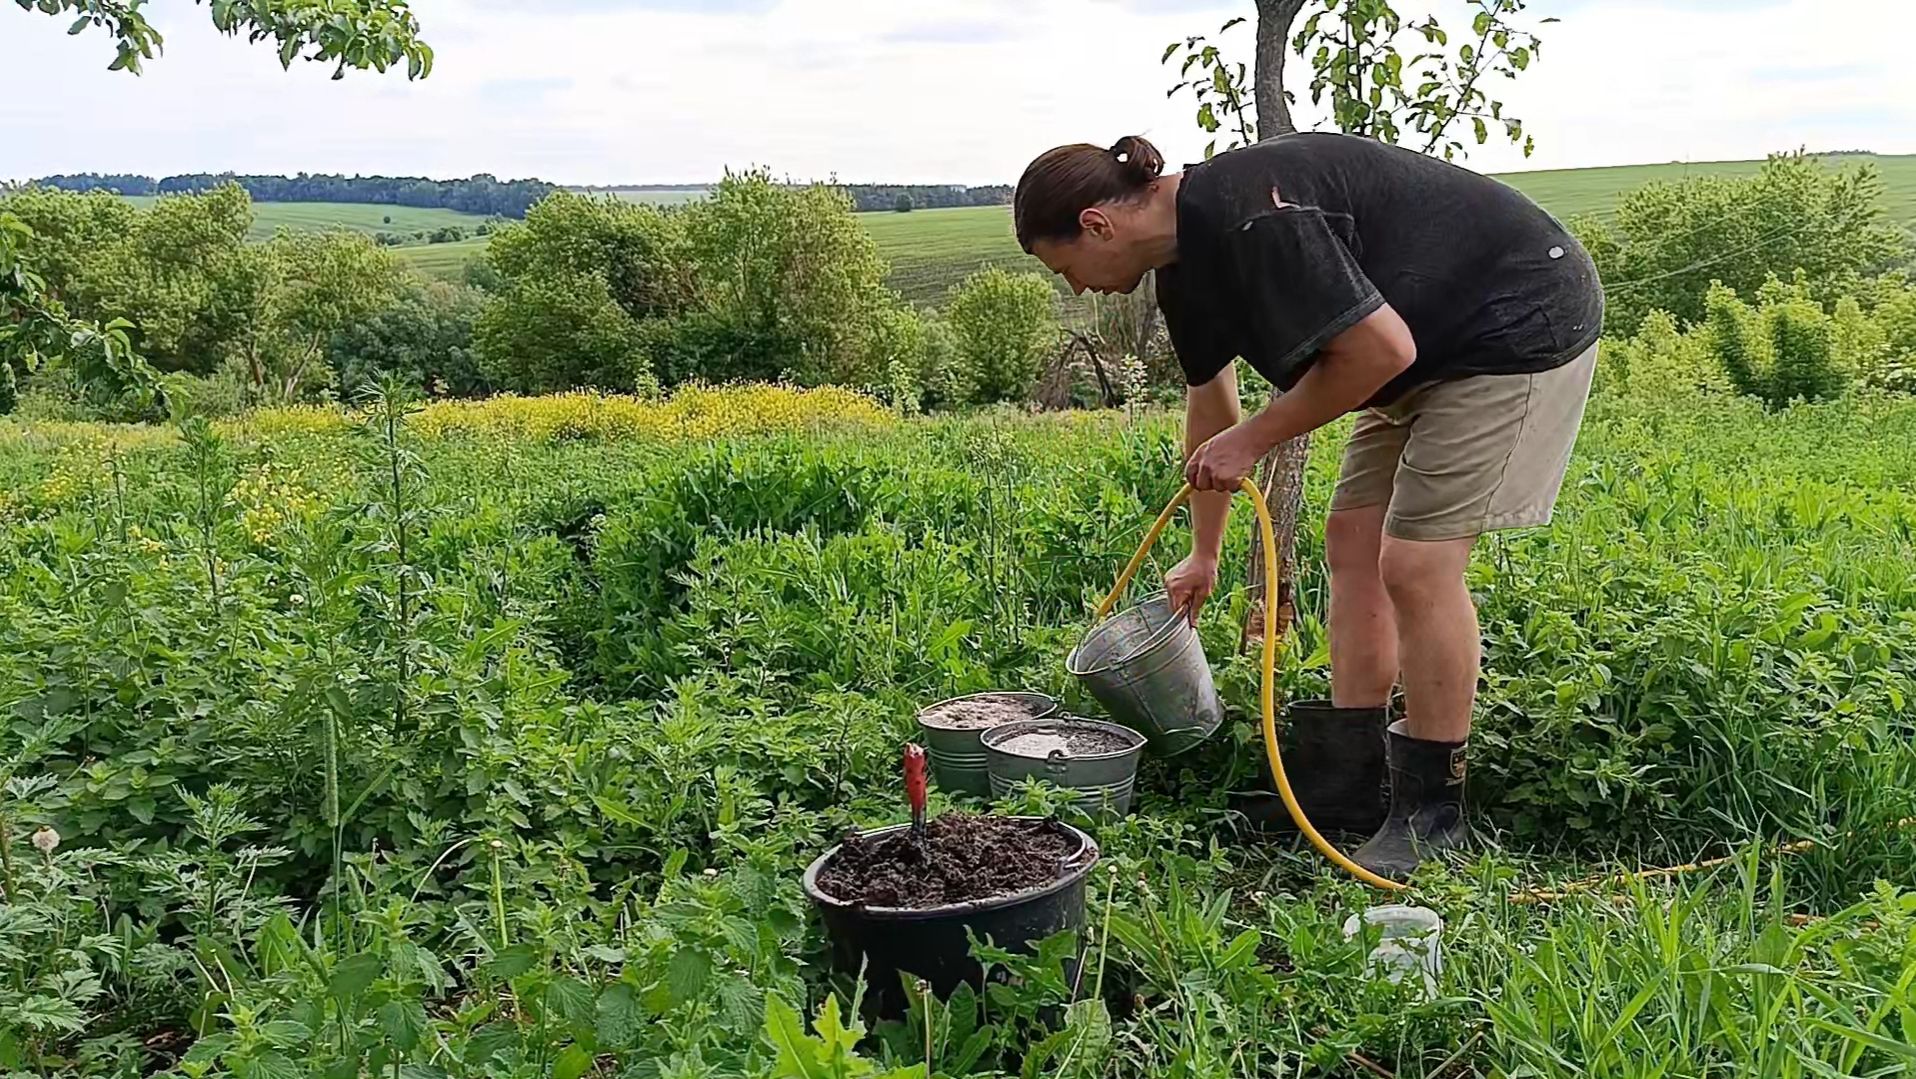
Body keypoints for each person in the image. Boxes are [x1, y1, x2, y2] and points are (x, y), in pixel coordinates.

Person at [1013, 132, 1603, 879]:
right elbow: (1211, 405)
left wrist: (1255, 440)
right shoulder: (1182, 266)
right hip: (1421, 348)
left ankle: (1431, 811)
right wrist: (1205, 552)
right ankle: (1351, 780)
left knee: (1417, 564)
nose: (1077, 289)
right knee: (1352, 539)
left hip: (1513, 322)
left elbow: (1378, 351)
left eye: (1065, 267)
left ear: (1097, 224)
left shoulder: (1251, 216)